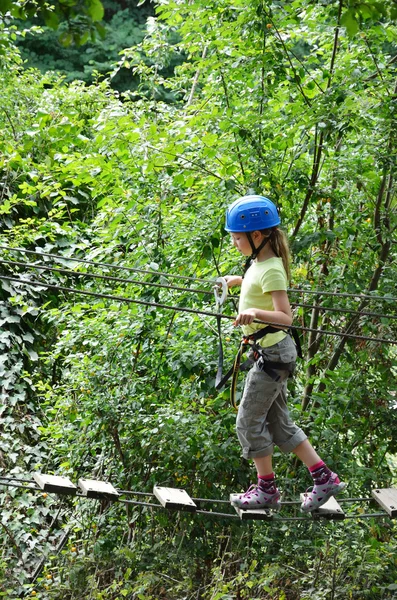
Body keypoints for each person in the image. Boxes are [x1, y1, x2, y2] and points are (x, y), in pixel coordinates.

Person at [224, 195, 345, 512]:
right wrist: (238, 282)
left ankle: (267, 490)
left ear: (257, 235)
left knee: (248, 422)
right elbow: (257, 284)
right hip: (271, 353)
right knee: (279, 425)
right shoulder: (257, 263)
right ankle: (324, 478)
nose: (235, 243)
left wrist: (253, 312)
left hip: (273, 355)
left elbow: (285, 317)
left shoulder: (272, 269)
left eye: (237, 237)